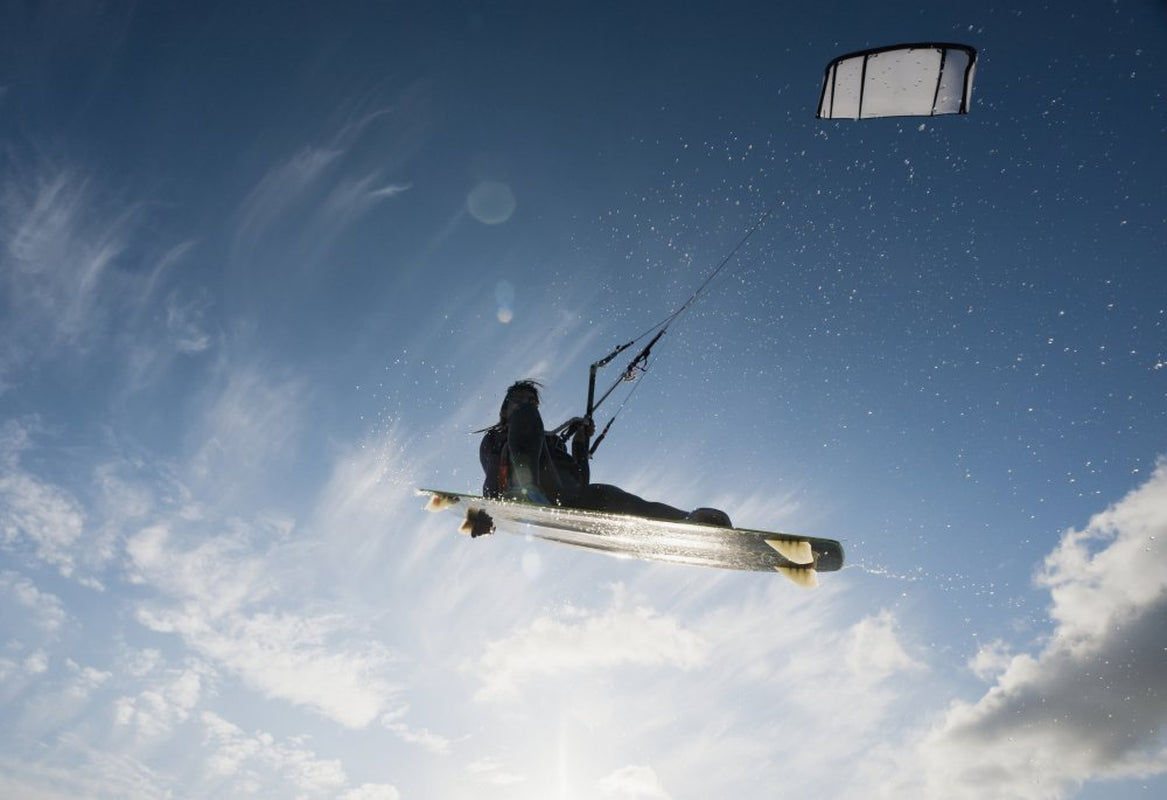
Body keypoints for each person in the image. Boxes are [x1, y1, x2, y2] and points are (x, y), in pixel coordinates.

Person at [473, 379, 731, 536]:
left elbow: (578, 481)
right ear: (504, 409)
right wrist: (489, 512)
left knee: (605, 492)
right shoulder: (497, 437)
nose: (526, 403)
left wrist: (580, 443)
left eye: (531, 401)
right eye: (518, 400)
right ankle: (524, 491)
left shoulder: (551, 443)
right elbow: (491, 470)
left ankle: (687, 521)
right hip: (517, 490)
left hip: (561, 499)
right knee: (527, 419)